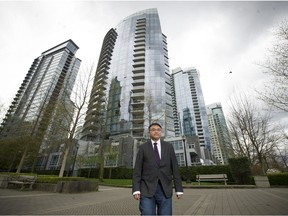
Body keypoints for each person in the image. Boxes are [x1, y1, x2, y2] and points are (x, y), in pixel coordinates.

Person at [132, 122, 183, 215]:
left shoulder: (169, 147)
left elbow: (175, 168)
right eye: (153, 130)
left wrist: (178, 189)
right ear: (149, 133)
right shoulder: (143, 148)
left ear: (161, 132)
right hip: (146, 188)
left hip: (165, 189)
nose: (156, 131)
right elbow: (137, 170)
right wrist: (136, 189)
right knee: (147, 213)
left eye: (158, 130)